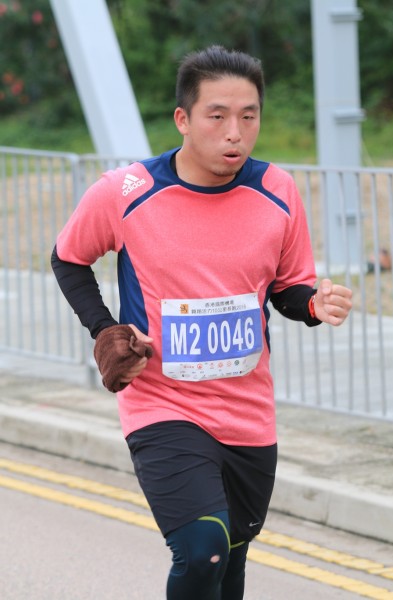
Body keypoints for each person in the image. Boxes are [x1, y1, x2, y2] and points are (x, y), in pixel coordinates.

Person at [51, 45, 352, 599]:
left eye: (248, 116)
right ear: (183, 119)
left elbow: (287, 288)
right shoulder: (127, 192)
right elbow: (68, 257)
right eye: (217, 116)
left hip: (248, 412)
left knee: (229, 562)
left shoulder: (277, 191)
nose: (235, 133)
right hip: (162, 403)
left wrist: (314, 304)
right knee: (202, 549)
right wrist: (104, 329)